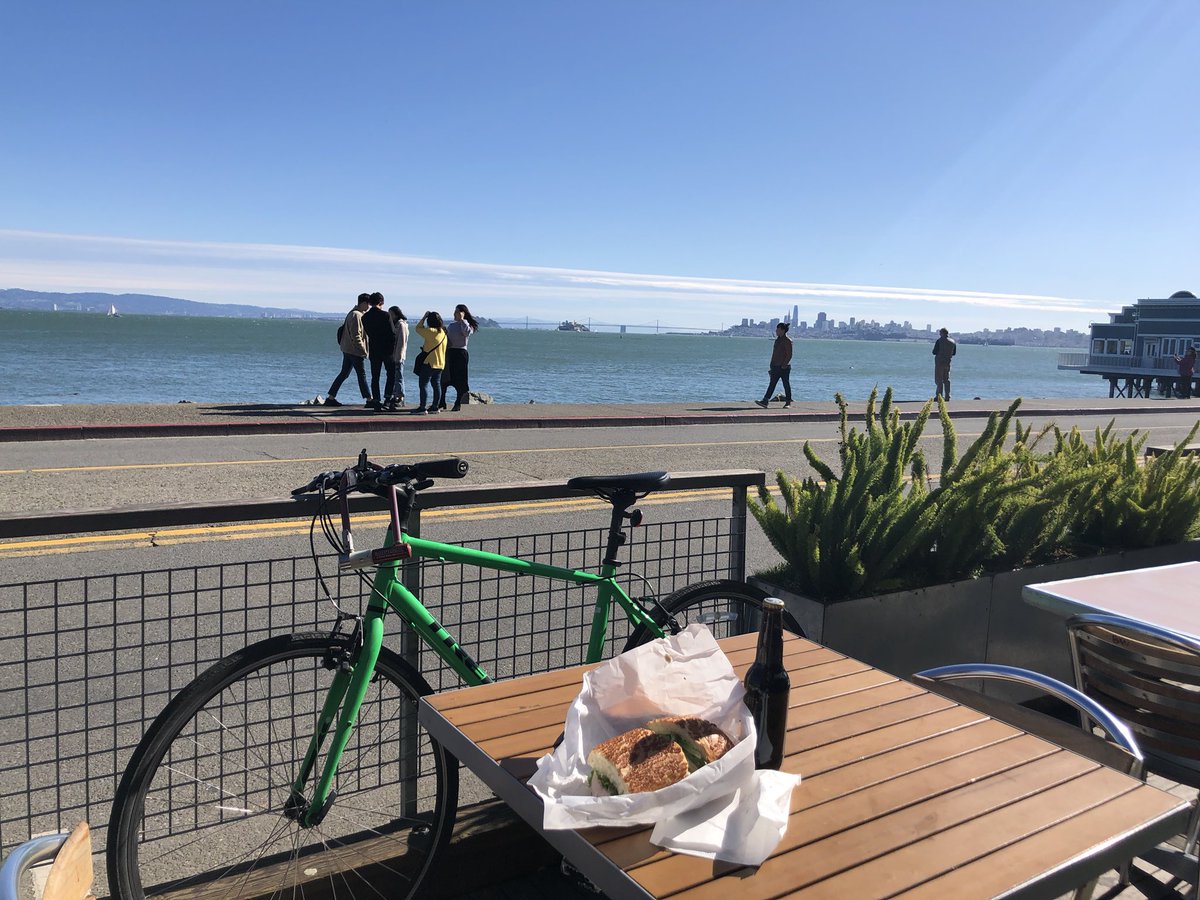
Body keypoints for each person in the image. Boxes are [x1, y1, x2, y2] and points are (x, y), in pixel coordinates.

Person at [324, 294, 371, 407]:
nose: (369, 306)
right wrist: (363, 350)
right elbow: (356, 335)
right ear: (363, 303)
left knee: (344, 373)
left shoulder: (353, 313)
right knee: (361, 375)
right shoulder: (356, 315)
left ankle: (331, 397)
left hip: (347, 349)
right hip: (354, 351)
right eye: (368, 304)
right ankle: (369, 400)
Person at [439, 303, 479, 411]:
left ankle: (458, 403)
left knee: (460, 380)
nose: (454, 313)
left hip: (461, 354)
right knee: (445, 379)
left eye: (456, 312)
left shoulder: (467, 325)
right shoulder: (451, 325)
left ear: (462, 313)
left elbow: (466, 333)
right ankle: (441, 401)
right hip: (450, 353)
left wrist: (462, 320)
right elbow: (447, 340)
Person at [361, 292, 395, 411]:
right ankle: (387, 399)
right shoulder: (385, 315)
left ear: (370, 303)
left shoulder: (364, 317)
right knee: (391, 374)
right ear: (381, 302)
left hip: (374, 349)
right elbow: (392, 333)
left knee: (375, 376)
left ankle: (376, 400)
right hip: (387, 349)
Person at [413, 310, 447, 415]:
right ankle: (435, 407)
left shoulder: (431, 331)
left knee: (423, 385)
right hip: (440, 363)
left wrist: (423, 317)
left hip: (429, 363)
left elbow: (418, 328)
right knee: (436, 385)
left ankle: (423, 407)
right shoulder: (443, 333)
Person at [754, 323, 793, 409]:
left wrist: (784, 365)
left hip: (784, 368)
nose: (776, 331)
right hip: (775, 366)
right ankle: (765, 401)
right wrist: (771, 366)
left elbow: (789, 355)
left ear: (782, 330)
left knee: (786, 384)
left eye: (778, 329)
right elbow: (774, 354)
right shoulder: (777, 340)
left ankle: (788, 402)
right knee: (772, 384)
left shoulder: (787, 341)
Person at [386, 305, 409, 409]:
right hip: (396, 354)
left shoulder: (401, 325)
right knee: (397, 376)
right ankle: (397, 395)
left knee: (399, 376)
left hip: (398, 355)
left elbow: (402, 342)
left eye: (390, 314)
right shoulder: (397, 324)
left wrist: (398, 356)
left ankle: (400, 396)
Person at [933, 327, 957, 401]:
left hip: (940, 362)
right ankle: (947, 396)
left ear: (942, 333)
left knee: (939, 380)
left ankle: (939, 396)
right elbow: (954, 353)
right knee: (947, 380)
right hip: (948, 362)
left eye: (940, 333)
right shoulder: (953, 342)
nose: (939, 334)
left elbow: (934, 352)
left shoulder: (939, 341)